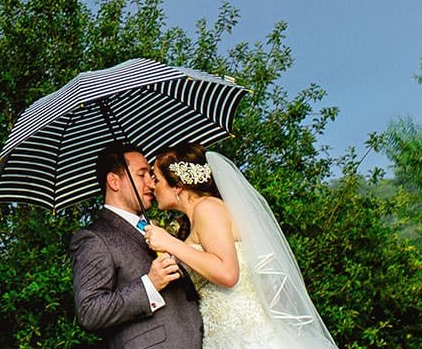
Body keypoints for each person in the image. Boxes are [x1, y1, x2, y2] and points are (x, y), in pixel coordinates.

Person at [144, 145, 338, 349]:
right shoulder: (194, 219)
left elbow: (228, 273)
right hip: (223, 336)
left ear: (178, 185)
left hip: (249, 336)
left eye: (156, 178)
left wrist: (171, 243)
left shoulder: (208, 208)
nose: (151, 186)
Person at [68, 141, 204, 348]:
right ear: (114, 181)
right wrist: (150, 284)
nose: (151, 182)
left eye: (150, 174)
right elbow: (89, 311)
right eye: (142, 175)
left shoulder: (156, 228)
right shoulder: (93, 238)